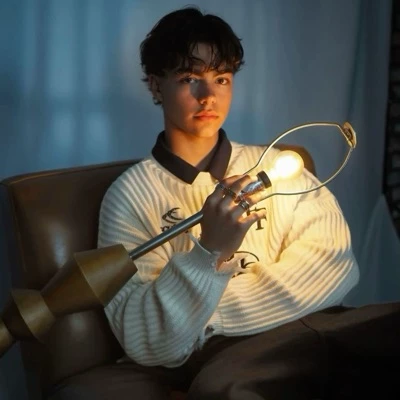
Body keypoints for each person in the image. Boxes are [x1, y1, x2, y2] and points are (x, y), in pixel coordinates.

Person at [95, 6, 399, 400]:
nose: (208, 96)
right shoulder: (130, 197)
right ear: (156, 86)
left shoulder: (277, 166)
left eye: (221, 78)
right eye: (189, 79)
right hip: (235, 360)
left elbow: (335, 266)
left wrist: (207, 318)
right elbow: (149, 338)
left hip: (326, 330)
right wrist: (209, 251)